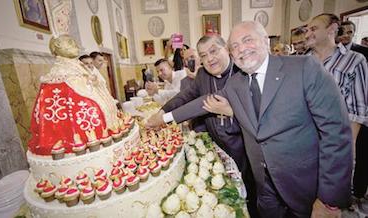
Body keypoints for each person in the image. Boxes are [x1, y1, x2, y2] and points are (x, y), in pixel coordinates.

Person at [148, 21, 353, 217]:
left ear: (266, 40)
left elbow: (336, 133)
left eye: (247, 40)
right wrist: (163, 118)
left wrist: (329, 200)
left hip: (303, 186)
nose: (241, 49)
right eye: (235, 45)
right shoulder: (237, 83)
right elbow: (202, 102)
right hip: (263, 189)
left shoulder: (304, 68)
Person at [147, 34, 259, 218]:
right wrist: (163, 110)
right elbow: (187, 95)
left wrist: (166, 118)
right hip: (214, 144)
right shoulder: (202, 75)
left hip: (241, 147)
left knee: (246, 194)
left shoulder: (240, 73)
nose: (209, 59)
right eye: (203, 55)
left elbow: (205, 102)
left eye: (213, 51)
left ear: (227, 50)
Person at [28, 35, 119, 155]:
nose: (75, 44)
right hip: (83, 142)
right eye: (69, 42)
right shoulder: (58, 76)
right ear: (58, 47)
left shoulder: (79, 68)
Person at [305, 13, 368, 147]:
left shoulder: (354, 60)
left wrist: (349, 147)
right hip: (304, 140)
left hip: (336, 140)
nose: (307, 35)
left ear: (332, 29)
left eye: (313, 29)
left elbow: (357, 110)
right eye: (307, 30)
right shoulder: (302, 62)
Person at [336, 19, 368, 211]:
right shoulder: (333, 54)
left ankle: (356, 192)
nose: (347, 34)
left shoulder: (361, 54)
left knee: (359, 155)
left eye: (350, 31)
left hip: (360, 113)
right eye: (344, 30)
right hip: (342, 115)